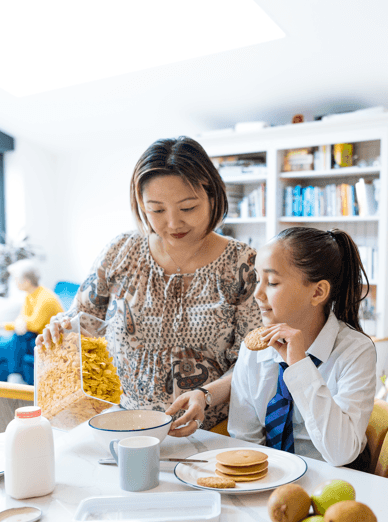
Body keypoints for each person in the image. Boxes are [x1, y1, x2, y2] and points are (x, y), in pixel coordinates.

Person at [38, 137, 261, 434]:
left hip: (210, 430)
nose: (173, 223)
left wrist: (206, 396)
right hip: (120, 424)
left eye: (188, 207)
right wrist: (61, 328)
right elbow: (81, 323)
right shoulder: (121, 251)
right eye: (157, 210)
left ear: (212, 195)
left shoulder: (243, 264)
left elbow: (254, 360)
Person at [228, 227, 377, 466]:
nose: (257, 293)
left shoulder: (355, 351)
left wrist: (299, 366)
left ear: (318, 292)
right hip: (270, 479)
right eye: (257, 279)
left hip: (333, 484)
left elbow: (342, 453)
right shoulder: (253, 350)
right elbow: (245, 439)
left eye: (273, 282)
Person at [0, 258, 63, 384]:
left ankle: (15, 376)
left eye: (16, 279)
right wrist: (18, 323)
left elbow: (34, 325)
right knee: (20, 336)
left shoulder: (46, 298)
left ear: (27, 281)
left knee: (19, 337)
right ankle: (15, 376)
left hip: (52, 341)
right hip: (38, 336)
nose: (14, 282)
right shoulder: (30, 295)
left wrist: (1, 325)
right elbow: (22, 318)